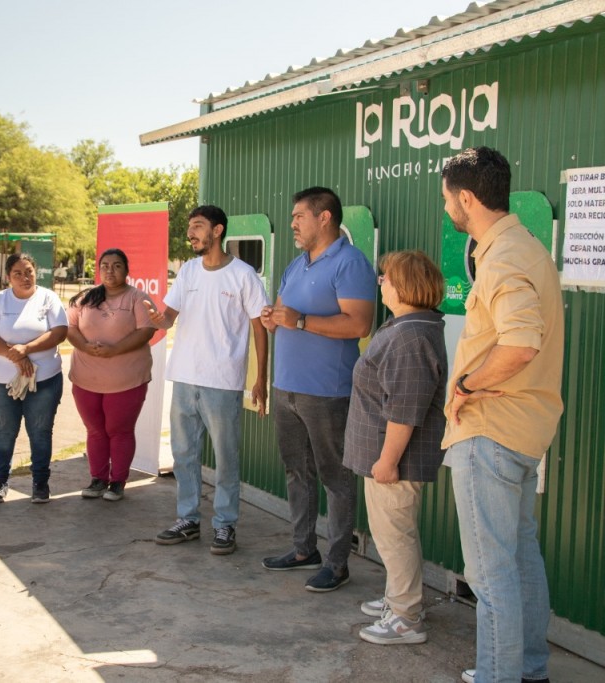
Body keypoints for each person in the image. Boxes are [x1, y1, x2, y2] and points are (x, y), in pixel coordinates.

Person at [440, 147, 563, 683]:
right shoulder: (524, 247)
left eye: (448, 199)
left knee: (490, 574)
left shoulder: (504, 256)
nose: (447, 209)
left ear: (467, 198)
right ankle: (529, 668)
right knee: (520, 561)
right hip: (525, 430)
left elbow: (521, 343)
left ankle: (498, 675)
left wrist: (465, 383)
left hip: (491, 430)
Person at [260, 187, 375, 591]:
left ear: (324, 218)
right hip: (287, 387)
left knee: (335, 478)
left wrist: (301, 321)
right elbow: (284, 312)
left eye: (299, 216)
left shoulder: (350, 263)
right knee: (297, 472)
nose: (292, 223)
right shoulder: (297, 264)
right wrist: (273, 317)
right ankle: (303, 549)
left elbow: (360, 324)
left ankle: (338, 563)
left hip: (328, 392)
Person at [147, 205, 269, 555]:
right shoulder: (187, 272)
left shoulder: (244, 275)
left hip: (222, 381)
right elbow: (168, 319)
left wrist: (260, 378)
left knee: (226, 457)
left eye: (198, 227)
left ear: (217, 231)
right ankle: (187, 519)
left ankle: (225, 525)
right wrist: (155, 318)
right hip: (184, 376)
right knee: (184, 454)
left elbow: (260, 327)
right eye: (190, 228)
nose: (191, 234)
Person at [342, 250, 447, 645]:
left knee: (395, 536)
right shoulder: (407, 326)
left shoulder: (411, 336)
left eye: (386, 277)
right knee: (392, 534)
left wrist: (387, 461)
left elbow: (404, 410)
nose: (381, 282)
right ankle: (399, 598)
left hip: (394, 462)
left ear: (405, 287)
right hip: (384, 458)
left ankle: (406, 618)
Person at [0, 253, 67, 504]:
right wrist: (16, 356)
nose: (24, 277)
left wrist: (26, 350)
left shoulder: (48, 298)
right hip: (1, 381)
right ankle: (0, 482)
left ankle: (40, 483)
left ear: (35, 272)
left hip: (45, 381)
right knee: (4, 431)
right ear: (8, 277)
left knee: (40, 432)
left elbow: (59, 332)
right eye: (17, 273)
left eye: (28, 271)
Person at [67, 248, 154, 501]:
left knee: (120, 430)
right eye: (105, 265)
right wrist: (83, 345)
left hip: (126, 380)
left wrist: (115, 349)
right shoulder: (85, 298)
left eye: (116, 265)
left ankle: (117, 481)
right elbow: (69, 327)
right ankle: (97, 479)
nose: (110, 270)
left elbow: (146, 331)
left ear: (127, 270)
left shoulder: (137, 298)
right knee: (95, 430)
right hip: (86, 379)